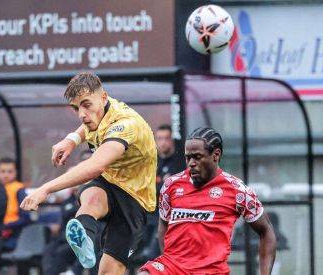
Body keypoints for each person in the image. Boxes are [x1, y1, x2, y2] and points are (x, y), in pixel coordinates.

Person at [21, 72, 157, 275]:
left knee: (108, 271)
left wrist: (45, 188)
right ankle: (83, 234)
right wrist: (71, 139)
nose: (81, 114)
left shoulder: (126, 125)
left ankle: (85, 235)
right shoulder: (100, 110)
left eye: (86, 105)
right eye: (76, 108)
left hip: (135, 198)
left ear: (103, 97)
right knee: (91, 197)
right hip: (109, 182)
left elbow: (95, 166)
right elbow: (88, 126)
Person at [139, 127, 277, 275]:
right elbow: (163, 226)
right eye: (188, 157)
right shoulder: (171, 185)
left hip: (210, 270)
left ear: (216, 155)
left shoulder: (238, 190)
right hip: (173, 266)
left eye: (197, 157)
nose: (191, 163)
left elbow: (266, 231)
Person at [133, 125, 185, 263]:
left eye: (166, 138)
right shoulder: (151, 162)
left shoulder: (181, 163)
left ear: (172, 140)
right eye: (160, 138)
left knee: (153, 254)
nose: (163, 142)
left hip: (170, 218)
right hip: (148, 215)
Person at [41, 187, 83, 275]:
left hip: (80, 237)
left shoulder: (87, 199)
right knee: (48, 250)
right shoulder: (67, 201)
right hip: (63, 236)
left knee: (62, 251)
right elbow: (64, 217)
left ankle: (73, 272)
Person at [0, 157, 30, 251]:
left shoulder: (19, 190)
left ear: (15, 172)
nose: (6, 175)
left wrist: (6, 226)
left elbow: (26, 217)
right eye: (3, 171)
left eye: (9, 171)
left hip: (14, 234)